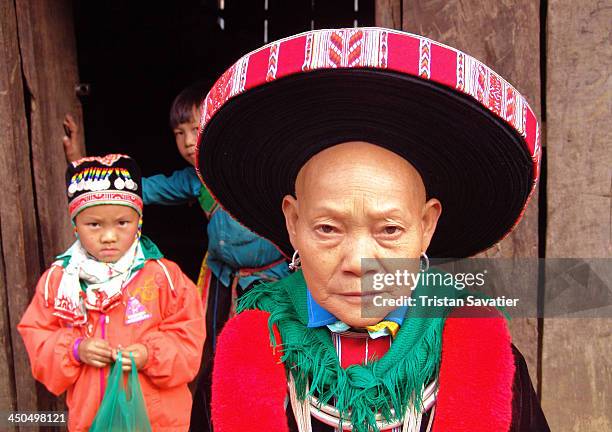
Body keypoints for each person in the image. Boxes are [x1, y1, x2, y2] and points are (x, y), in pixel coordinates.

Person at [196, 28, 550, 431]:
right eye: (328, 228)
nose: (358, 264)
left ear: (426, 225)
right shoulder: (242, 356)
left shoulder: (488, 356)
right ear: (294, 223)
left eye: (390, 230)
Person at [62, 82, 290, 431]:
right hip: (223, 278)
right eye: (179, 133)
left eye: (196, 130)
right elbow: (134, 189)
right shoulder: (195, 181)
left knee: (269, 355)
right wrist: (80, 161)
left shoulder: (255, 169)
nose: (187, 142)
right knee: (209, 351)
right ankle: (210, 420)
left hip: (274, 280)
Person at [18, 154, 205, 431]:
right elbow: (38, 337)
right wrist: (75, 349)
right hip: (92, 421)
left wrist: (149, 354)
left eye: (122, 223)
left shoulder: (165, 278)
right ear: (76, 226)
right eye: (94, 225)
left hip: (159, 423)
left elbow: (189, 343)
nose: (108, 236)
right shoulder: (58, 282)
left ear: (138, 223)